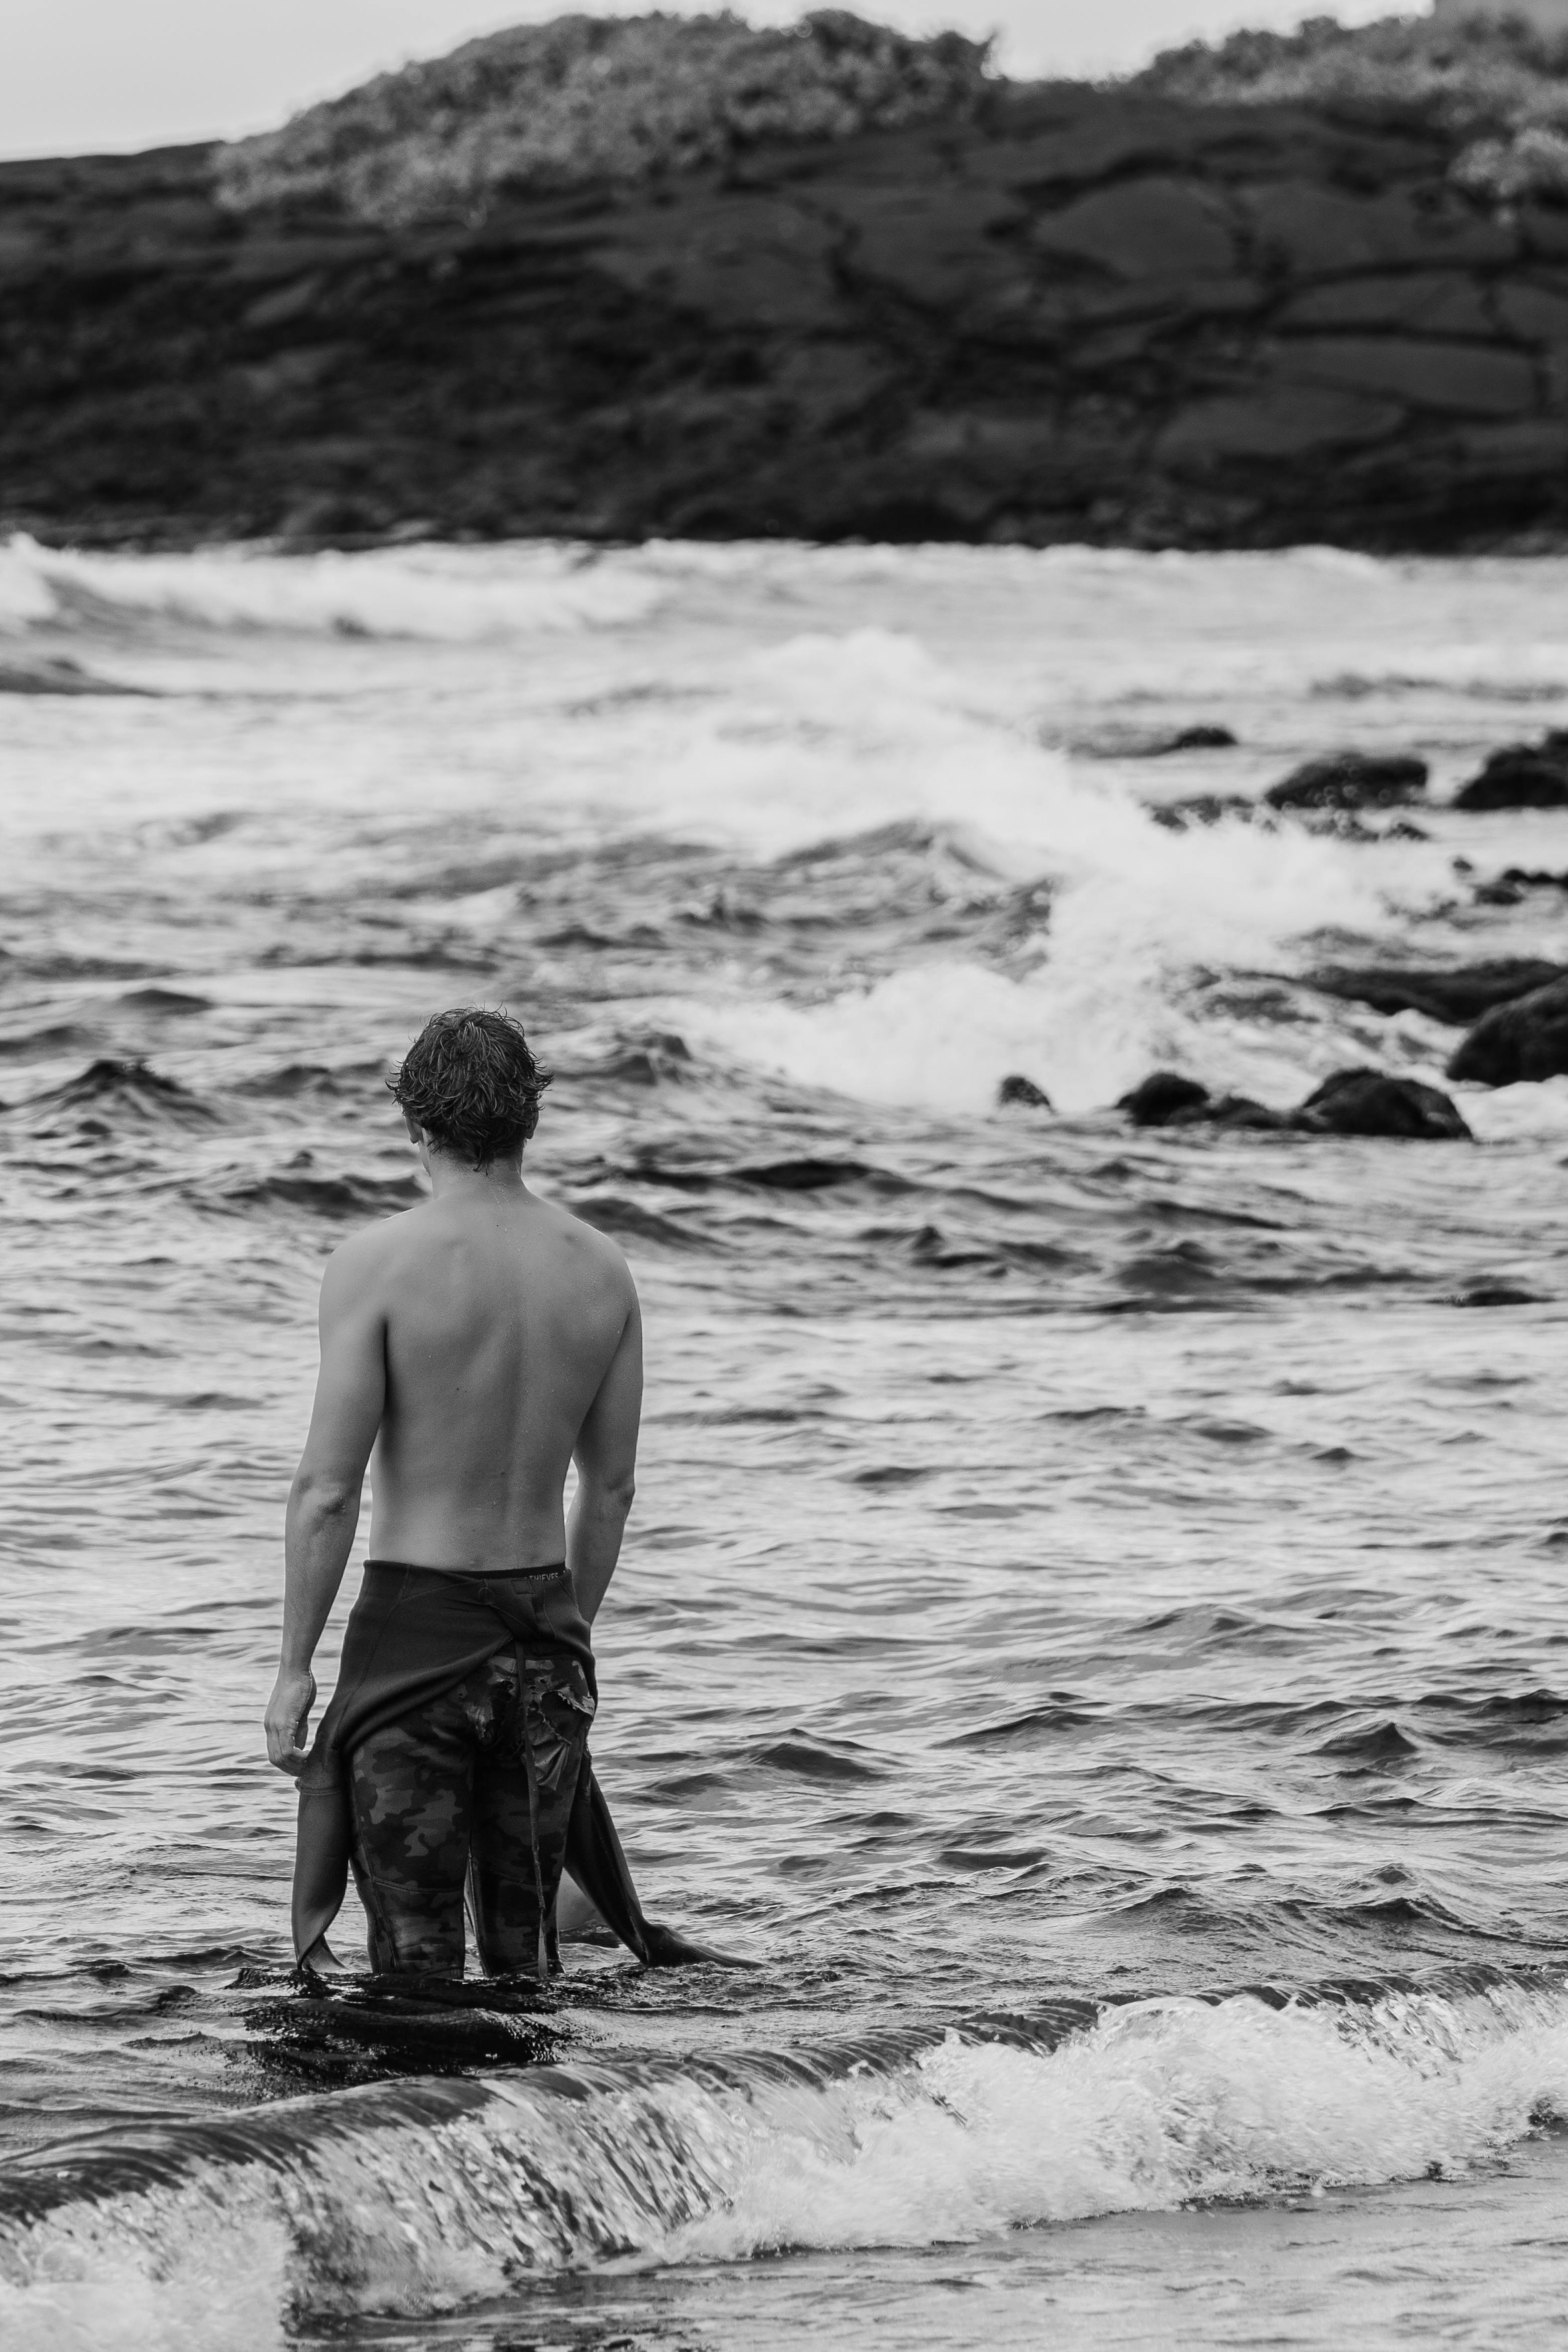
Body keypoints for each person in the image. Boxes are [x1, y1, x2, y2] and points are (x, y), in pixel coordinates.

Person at [263, 1006, 643, 1980]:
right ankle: (543, 2130)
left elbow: (327, 1489)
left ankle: (419, 2129)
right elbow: (608, 1490)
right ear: (529, 1121)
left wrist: (295, 1667)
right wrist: (563, 1638)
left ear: (415, 1125)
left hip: (416, 1642)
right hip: (545, 1645)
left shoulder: (376, 1265)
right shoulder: (603, 1269)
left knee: (414, 1959)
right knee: (525, 1959)